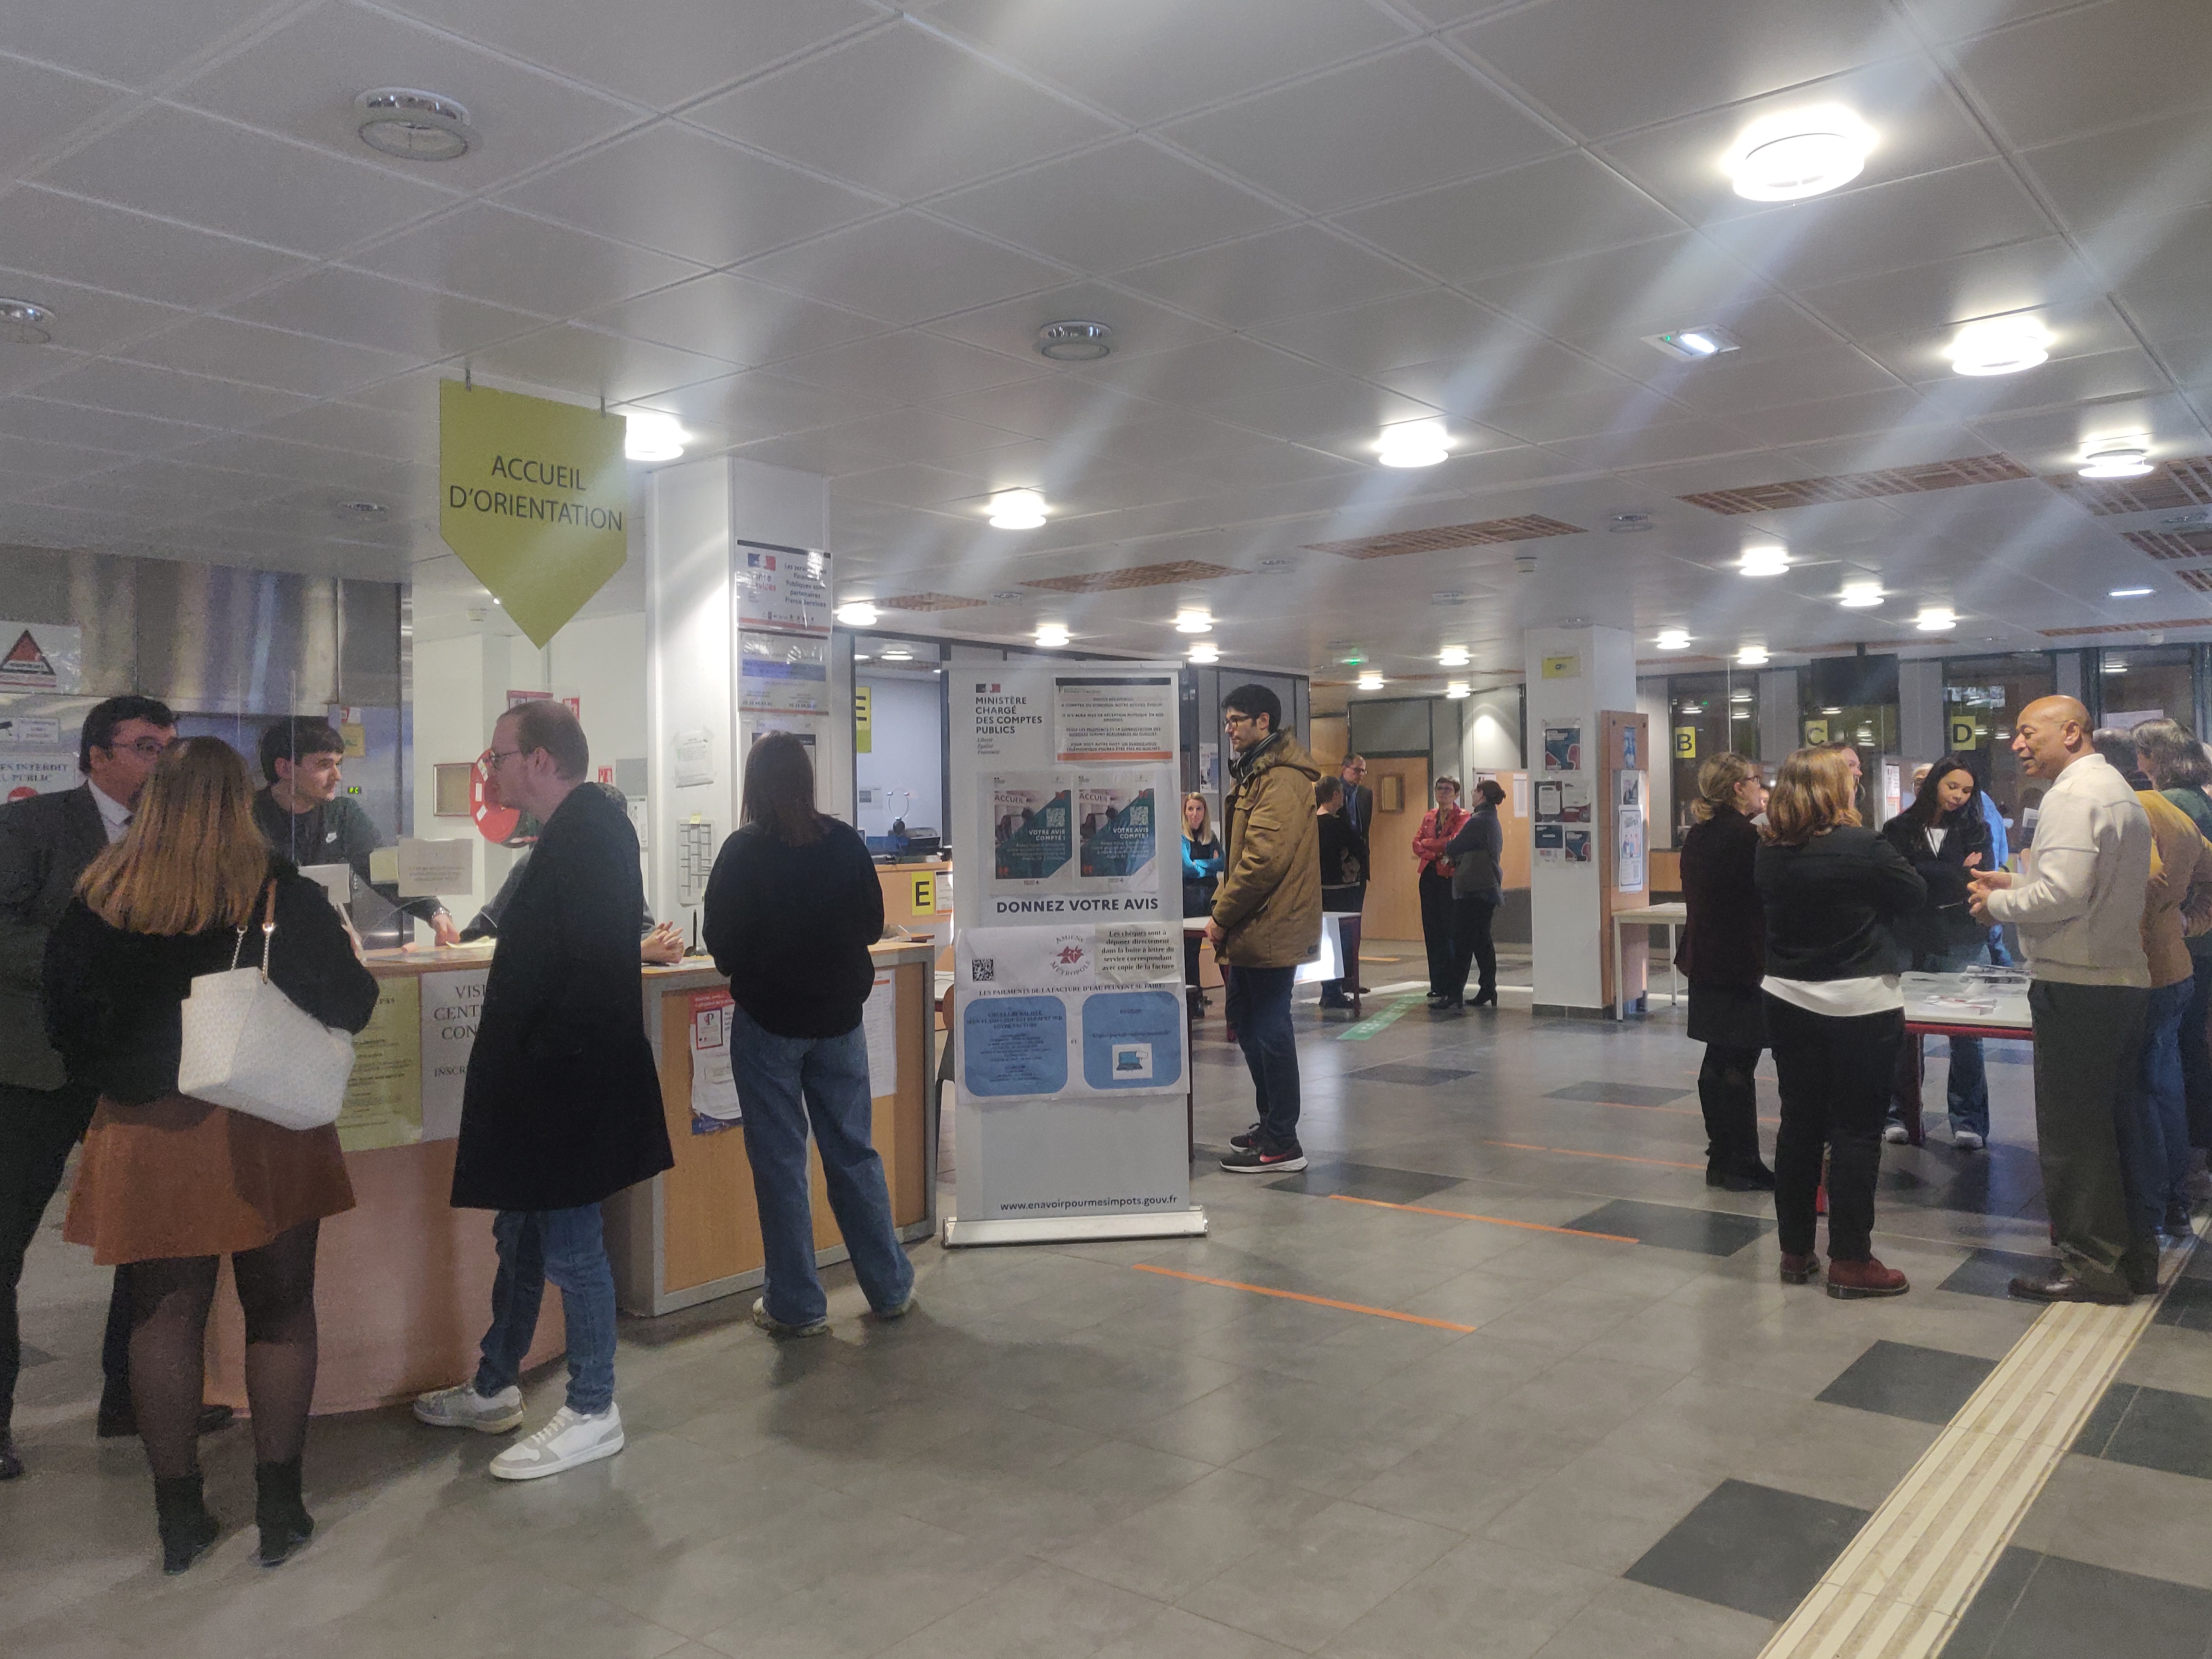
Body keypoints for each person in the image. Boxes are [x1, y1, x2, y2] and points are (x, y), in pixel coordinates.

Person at [44, 738, 377, 1572]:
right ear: (238, 802)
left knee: (163, 1316)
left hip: (146, 1131)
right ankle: (279, 1507)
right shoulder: (278, 894)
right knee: (280, 1309)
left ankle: (181, 1519)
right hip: (263, 1123)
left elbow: (68, 1028)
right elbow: (353, 1000)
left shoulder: (101, 896)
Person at [414, 701, 672, 1476]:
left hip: (565, 1089)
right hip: (543, 1087)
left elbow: (589, 973)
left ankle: (594, 1405)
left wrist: (547, 1081)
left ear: (539, 759)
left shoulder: (589, 834)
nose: (488, 770)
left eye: (499, 756)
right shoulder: (566, 834)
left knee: (572, 1246)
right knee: (522, 1237)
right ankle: (496, 1384)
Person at [0, 695, 234, 1482]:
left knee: (150, 1245)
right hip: (36, 1069)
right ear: (95, 754)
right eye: (143, 746)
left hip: (142, 1073)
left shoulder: (183, 842)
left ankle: (136, 1399)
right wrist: (93, 953)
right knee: (4, 1246)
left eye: (170, 747)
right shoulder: (32, 827)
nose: (160, 762)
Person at [702, 733, 914, 1336]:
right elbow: (873, 924)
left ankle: (797, 1304)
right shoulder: (844, 842)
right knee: (854, 1154)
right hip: (841, 1023)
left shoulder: (743, 852)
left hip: (769, 1027)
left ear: (753, 784)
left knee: (780, 1163)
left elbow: (722, 945)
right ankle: (891, 1286)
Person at [1970, 697, 2153, 1303]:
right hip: (2117, 980)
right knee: (2114, 1127)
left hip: (2078, 985)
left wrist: (1999, 903)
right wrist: (2017, 884)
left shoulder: (2072, 797)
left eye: (2028, 733)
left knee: (2075, 1137)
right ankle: (2132, 1261)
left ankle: (2091, 1265)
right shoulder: (2117, 790)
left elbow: (2065, 895)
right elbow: (2085, 888)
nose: (2017, 745)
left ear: (2071, 733)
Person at [1758, 746, 1924, 1297]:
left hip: (1786, 997)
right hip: (1860, 1003)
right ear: (1837, 790)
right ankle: (1851, 1260)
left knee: (1798, 1125)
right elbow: (1915, 895)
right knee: (1856, 1131)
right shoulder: (1865, 846)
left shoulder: (1768, 851)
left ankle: (1795, 1251)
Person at [2092, 730, 2212, 1248]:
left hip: (2138, 970)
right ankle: (2175, 1204)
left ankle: (2150, 1210)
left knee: (2141, 1092)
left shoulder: (2140, 810)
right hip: (2174, 966)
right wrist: (2187, 923)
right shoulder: (2181, 810)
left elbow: (2152, 880)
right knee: (2164, 1084)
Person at [1211, 684, 1321, 1174]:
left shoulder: (1280, 780)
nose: (1229, 729)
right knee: (1247, 1018)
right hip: (1258, 925)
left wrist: (1221, 916)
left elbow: (1262, 862)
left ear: (1263, 722)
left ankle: (1283, 1142)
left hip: (1271, 924)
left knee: (1270, 1026)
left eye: (1236, 720)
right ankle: (1271, 1121)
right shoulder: (1258, 772)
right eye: (1227, 721)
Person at [252, 717, 460, 947]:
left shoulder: (342, 814)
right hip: (261, 947)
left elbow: (384, 871)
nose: (337, 776)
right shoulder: (245, 817)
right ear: (284, 768)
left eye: (337, 765)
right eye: (324, 764)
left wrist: (434, 911)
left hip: (326, 949)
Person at [1880, 755, 1995, 1150]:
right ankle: (1899, 1114)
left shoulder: (1977, 829)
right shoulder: (1899, 828)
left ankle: (1969, 1121)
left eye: (1967, 790)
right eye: (1953, 787)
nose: (1960, 797)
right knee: (1901, 1032)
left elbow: (1982, 879)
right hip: (1909, 938)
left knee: (1967, 1034)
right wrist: (1953, 872)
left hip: (1962, 939)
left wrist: (1926, 874)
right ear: (1934, 784)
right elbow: (1894, 878)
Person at [1678, 753, 1775, 1191]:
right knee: (1738, 1061)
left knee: (1716, 1058)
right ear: (1738, 788)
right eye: (1756, 781)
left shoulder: (1699, 835)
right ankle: (1742, 1162)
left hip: (1706, 959)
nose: (1761, 788)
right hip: (1742, 963)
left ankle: (1720, 1156)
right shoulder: (1747, 838)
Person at [460, 785, 684, 964]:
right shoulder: (536, 864)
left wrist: (663, 943)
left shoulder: (619, 869)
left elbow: (643, 928)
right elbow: (476, 936)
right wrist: (639, 951)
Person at [2132, 717, 2212, 1164]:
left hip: (2182, 949)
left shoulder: (2165, 805)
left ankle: (2179, 1160)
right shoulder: (2199, 799)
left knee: (2170, 1059)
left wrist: (2178, 920)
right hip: (2199, 944)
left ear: (2150, 757)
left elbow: (2158, 880)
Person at [1441, 778, 1505, 1011]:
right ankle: (1488, 988)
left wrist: (1446, 847)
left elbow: (1455, 846)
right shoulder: (1492, 820)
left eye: (1476, 791)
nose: (1473, 794)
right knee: (1482, 941)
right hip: (1487, 888)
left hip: (1473, 890)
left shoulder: (1479, 822)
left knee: (1463, 942)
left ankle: (1455, 993)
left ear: (1482, 796)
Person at [1313, 778, 1369, 1011]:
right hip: (1341, 892)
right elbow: (1358, 846)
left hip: (1320, 890)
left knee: (1327, 941)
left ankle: (1332, 988)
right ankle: (1334, 990)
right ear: (1336, 795)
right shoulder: (1336, 824)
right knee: (1342, 942)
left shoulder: (1310, 824)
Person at [1413, 776, 1468, 1008]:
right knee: (1432, 930)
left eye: (1448, 789)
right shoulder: (1429, 815)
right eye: (1439, 788)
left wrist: (1430, 845)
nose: (1443, 793)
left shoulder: (1463, 817)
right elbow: (1416, 844)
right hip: (1429, 876)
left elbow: (1453, 842)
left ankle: (1453, 987)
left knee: (1449, 931)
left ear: (1456, 794)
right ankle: (1437, 984)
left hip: (1449, 877)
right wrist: (1434, 849)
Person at [1180, 793, 1222, 1011]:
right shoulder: (1181, 837)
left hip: (1211, 898)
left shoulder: (1211, 836)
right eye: (1190, 809)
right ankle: (1193, 1000)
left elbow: (1222, 863)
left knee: (1221, 945)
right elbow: (1187, 868)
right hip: (1190, 900)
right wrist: (1209, 864)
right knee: (1191, 950)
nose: (1194, 813)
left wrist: (1200, 865)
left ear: (1205, 812)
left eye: (1199, 809)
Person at [1337, 753, 1373, 998]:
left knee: (1354, 926)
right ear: (1344, 769)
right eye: (1355, 770)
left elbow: (1364, 830)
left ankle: (1352, 977)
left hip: (1358, 866)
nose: (1359, 775)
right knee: (1338, 927)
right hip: (1336, 867)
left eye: (1363, 771)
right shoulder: (1331, 790)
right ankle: (1335, 981)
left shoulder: (1365, 795)